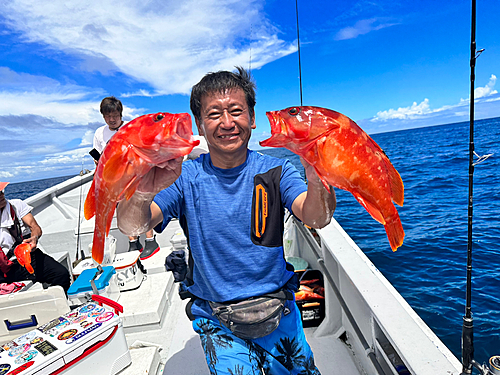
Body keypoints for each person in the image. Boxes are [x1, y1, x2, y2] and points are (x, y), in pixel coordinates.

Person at [116, 67, 336, 374]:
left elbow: (316, 216)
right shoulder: (184, 176)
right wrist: (141, 191)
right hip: (218, 318)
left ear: (252, 118)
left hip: (278, 307)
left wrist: (318, 175)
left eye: (236, 111)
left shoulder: (277, 170)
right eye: (214, 114)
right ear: (200, 125)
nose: (227, 122)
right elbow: (134, 226)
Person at [92, 96, 160, 259]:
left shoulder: (132, 128)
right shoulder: (99, 133)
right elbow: (96, 155)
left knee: (140, 205)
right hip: (114, 179)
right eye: (108, 116)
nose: (112, 119)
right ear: (103, 116)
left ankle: (150, 240)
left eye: (115, 115)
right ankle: (133, 242)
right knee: (122, 209)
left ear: (121, 114)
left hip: (135, 175)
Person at [0, 182, 71, 292]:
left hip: (28, 256)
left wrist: (34, 238)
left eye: (1, 192)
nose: (1, 195)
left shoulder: (16, 205)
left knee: (61, 274)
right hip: (4, 267)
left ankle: (55, 303)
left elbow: (35, 227)